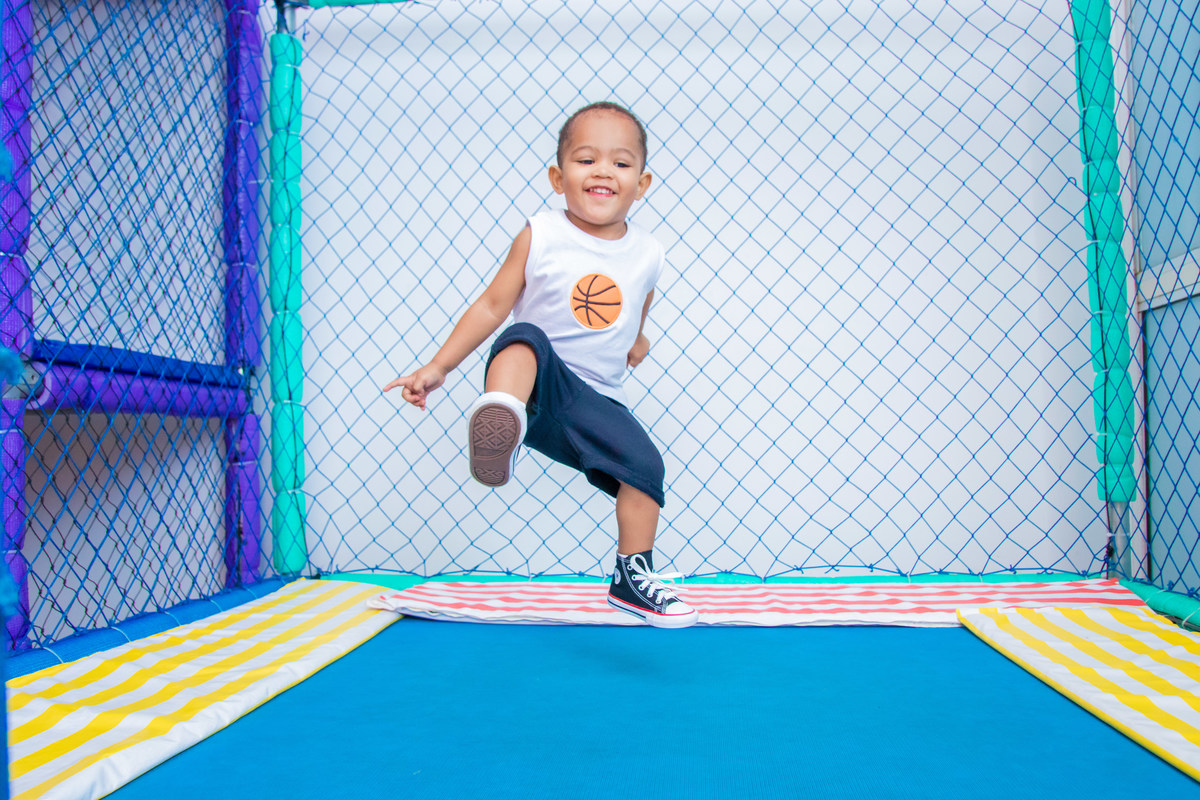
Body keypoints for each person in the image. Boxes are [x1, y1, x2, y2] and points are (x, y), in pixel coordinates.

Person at [383, 101, 698, 628]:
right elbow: (491, 305)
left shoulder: (649, 252)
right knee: (525, 335)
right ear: (558, 177)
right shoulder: (542, 232)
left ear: (642, 184)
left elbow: (637, 301)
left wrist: (638, 337)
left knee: (646, 468)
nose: (603, 171)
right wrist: (439, 367)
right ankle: (502, 418)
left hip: (592, 400)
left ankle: (632, 578)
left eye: (620, 164)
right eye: (585, 159)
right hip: (534, 383)